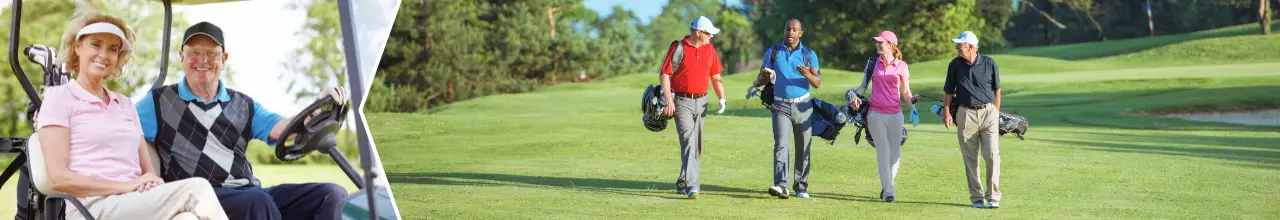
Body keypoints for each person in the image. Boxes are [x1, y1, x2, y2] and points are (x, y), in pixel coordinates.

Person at [134, 22, 349, 219]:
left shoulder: (243, 104)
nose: (202, 60)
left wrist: (318, 109)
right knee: (257, 202)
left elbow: (284, 128)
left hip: (248, 191)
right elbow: (121, 130)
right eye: (194, 53)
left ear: (223, 59)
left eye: (211, 53)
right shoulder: (157, 102)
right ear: (182, 57)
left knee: (332, 193)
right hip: (200, 197)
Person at [34, 12, 228, 220]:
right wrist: (125, 186)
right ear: (78, 47)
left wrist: (150, 183)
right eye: (95, 45)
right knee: (197, 189)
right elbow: (58, 179)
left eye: (112, 49)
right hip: (90, 207)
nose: (103, 54)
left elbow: (148, 171)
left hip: (134, 201)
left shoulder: (125, 105)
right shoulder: (59, 99)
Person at [659, 16, 726, 199]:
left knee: (697, 145)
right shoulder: (678, 47)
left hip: (702, 101)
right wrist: (668, 99)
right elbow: (665, 74)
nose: (711, 36)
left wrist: (722, 98)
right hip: (681, 101)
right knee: (688, 141)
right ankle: (692, 186)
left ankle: (682, 181)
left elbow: (715, 76)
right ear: (698, 32)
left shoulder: (709, 49)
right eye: (709, 33)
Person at [849, 31, 918, 203]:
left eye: (881, 42)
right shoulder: (873, 64)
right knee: (883, 152)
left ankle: (888, 184)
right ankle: (889, 192)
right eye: (877, 42)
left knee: (895, 155)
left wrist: (913, 107)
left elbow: (906, 91)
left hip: (895, 114)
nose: (877, 45)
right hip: (875, 114)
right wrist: (852, 95)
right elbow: (862, 87)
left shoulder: (901, 66)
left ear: (891, 45)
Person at [755, 19, 820, 199]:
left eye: (794, 30)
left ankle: (801, 186)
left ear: (800, 34)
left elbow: (817, 83)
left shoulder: (809, 53)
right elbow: (761, 80)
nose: (790, 33)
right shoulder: (773, 52)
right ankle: (781, 185)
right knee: (781, 145)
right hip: (780, 105)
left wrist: (807, 74)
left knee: (803, 147)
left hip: (803, 106)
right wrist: (764, 76)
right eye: (788, 29)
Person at [942, 31, 1003, 209]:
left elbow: (997, 90)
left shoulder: (989, 63)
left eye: (960, 45)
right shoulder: (954, 65)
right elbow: (948, 91)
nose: (957, 48)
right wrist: (947, 112)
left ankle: (993, 196)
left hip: (988, 112)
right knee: (970, 157)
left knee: (991, 154)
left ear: (970, 46)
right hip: (965, 113)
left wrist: (996, 111)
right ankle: (977, 197)